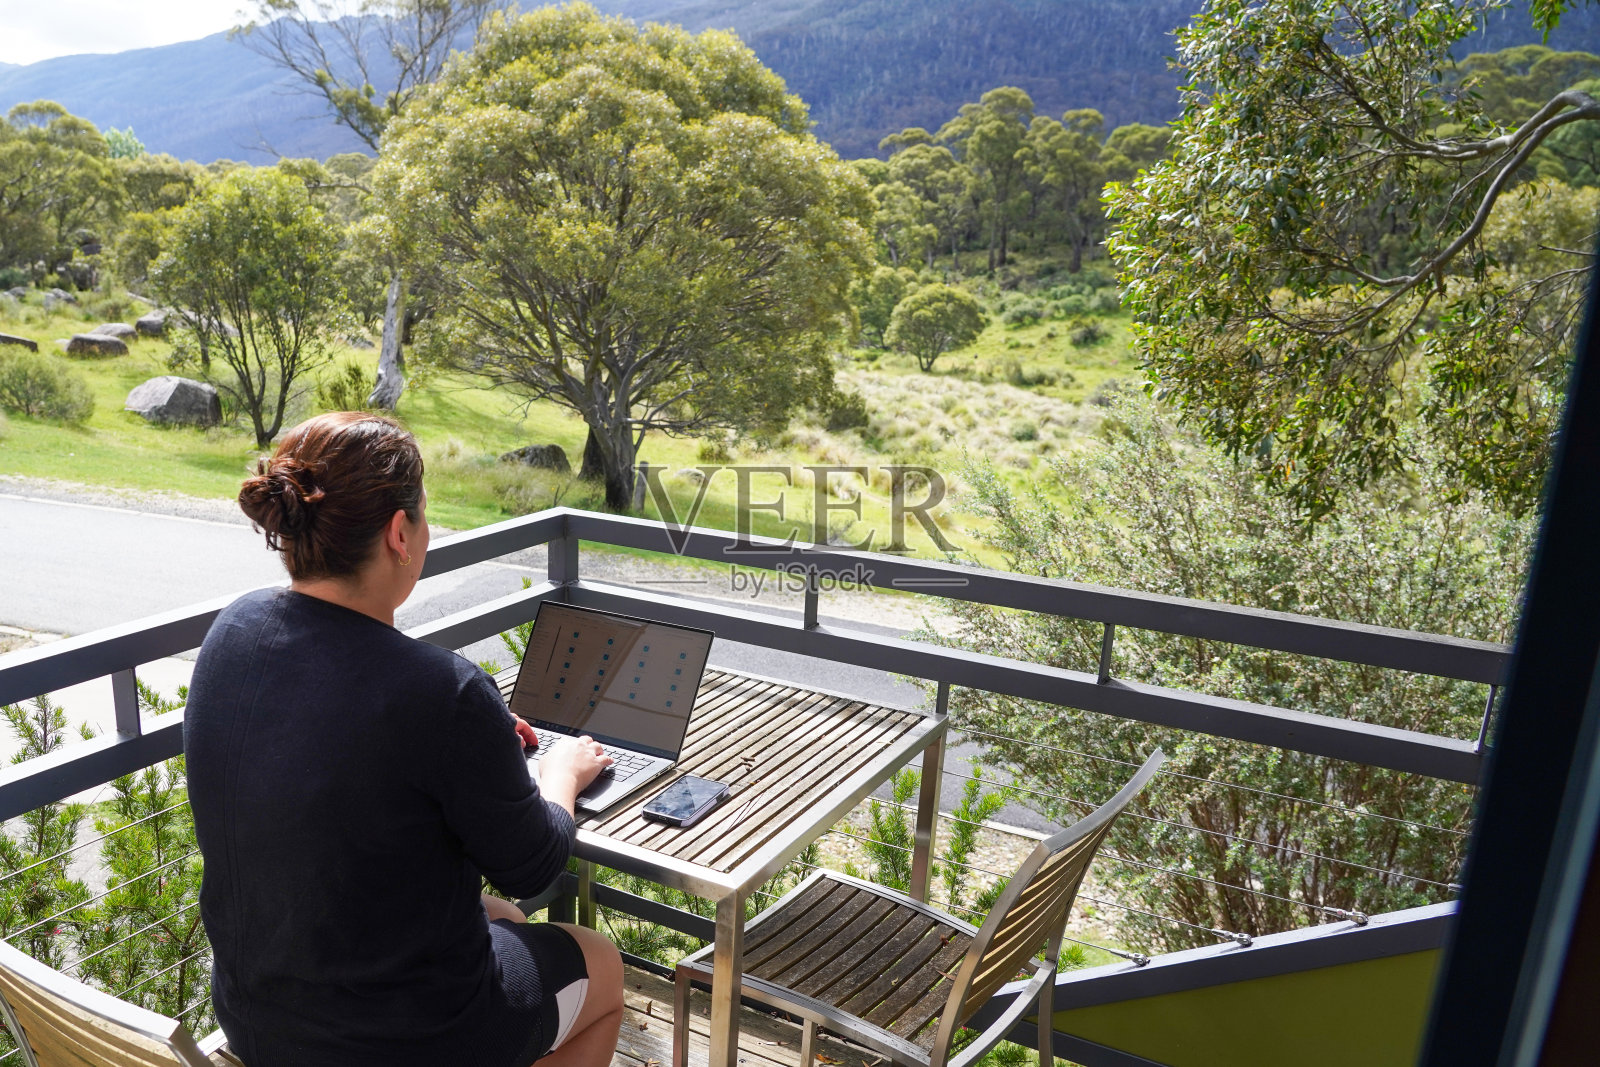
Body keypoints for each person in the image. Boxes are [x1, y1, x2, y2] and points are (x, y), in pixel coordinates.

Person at [184, 411, 623, 1067]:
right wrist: (560, 773)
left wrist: (478, 741)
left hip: (262, 1020)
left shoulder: (233, 629)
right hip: (402, 1040)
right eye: (424, 515)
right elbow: (534, 863)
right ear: (399, 532)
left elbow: (338, 734)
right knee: (602, 965)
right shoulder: (440, 690)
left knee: (501, 916)